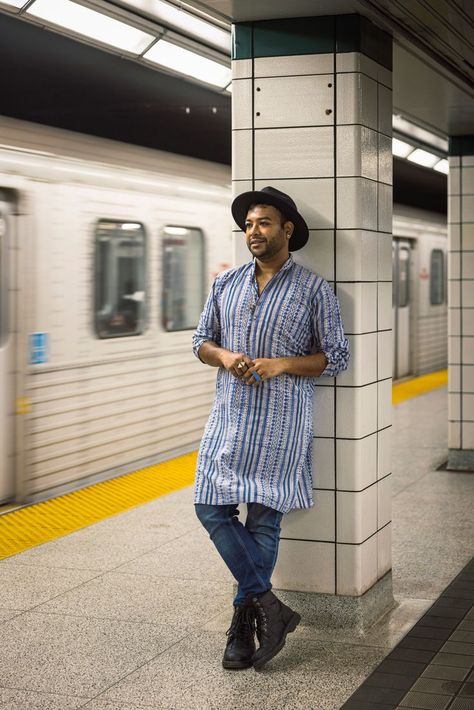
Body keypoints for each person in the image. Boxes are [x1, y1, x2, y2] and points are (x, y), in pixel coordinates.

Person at [193, 186, 349, 671]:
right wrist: (225, 356)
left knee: (264, 519)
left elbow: (337, 356)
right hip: (231, 415)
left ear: (287, 230)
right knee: (210, 506)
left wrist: (282, 364)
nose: (252, 232)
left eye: (263, 223)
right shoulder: (226, 283)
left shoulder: (314, 289)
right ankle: (268, 605)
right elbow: (201, 341)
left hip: (284, 421)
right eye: (248, 224)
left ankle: (244, 627)